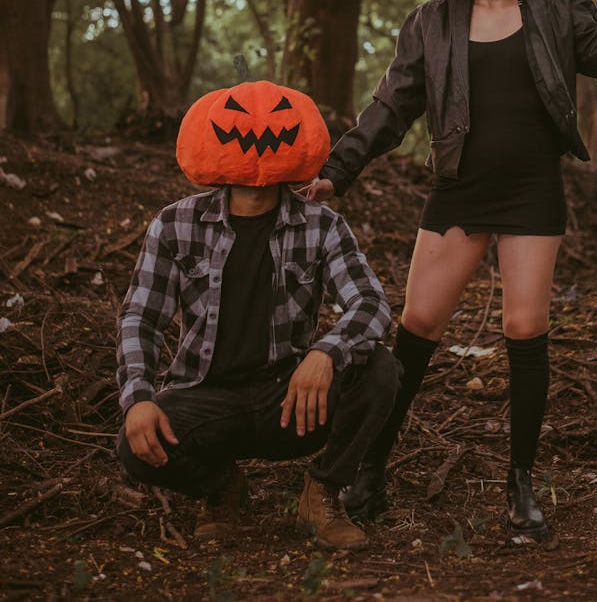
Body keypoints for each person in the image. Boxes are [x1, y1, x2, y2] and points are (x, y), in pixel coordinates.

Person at [304, 0, 597, 542]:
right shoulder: (430, 24)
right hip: (460, 188)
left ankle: (520, 484)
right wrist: (339, 166)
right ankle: (369, 468)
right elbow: (390, 107)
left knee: (525, 326)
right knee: (419, 323)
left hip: (531, 188)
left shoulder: (558, 9)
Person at [116, 78, 400, 550]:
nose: (257, 130)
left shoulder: (322, 224)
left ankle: (322, 491)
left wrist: (326, 352)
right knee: (135, 446)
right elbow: (140, 319)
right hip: (205, 399)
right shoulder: (174, 224)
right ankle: (220, 487)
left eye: (278, 115)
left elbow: (371, 303)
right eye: (233, 115)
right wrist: (138, 396)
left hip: (288, 401)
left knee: (379, 368)